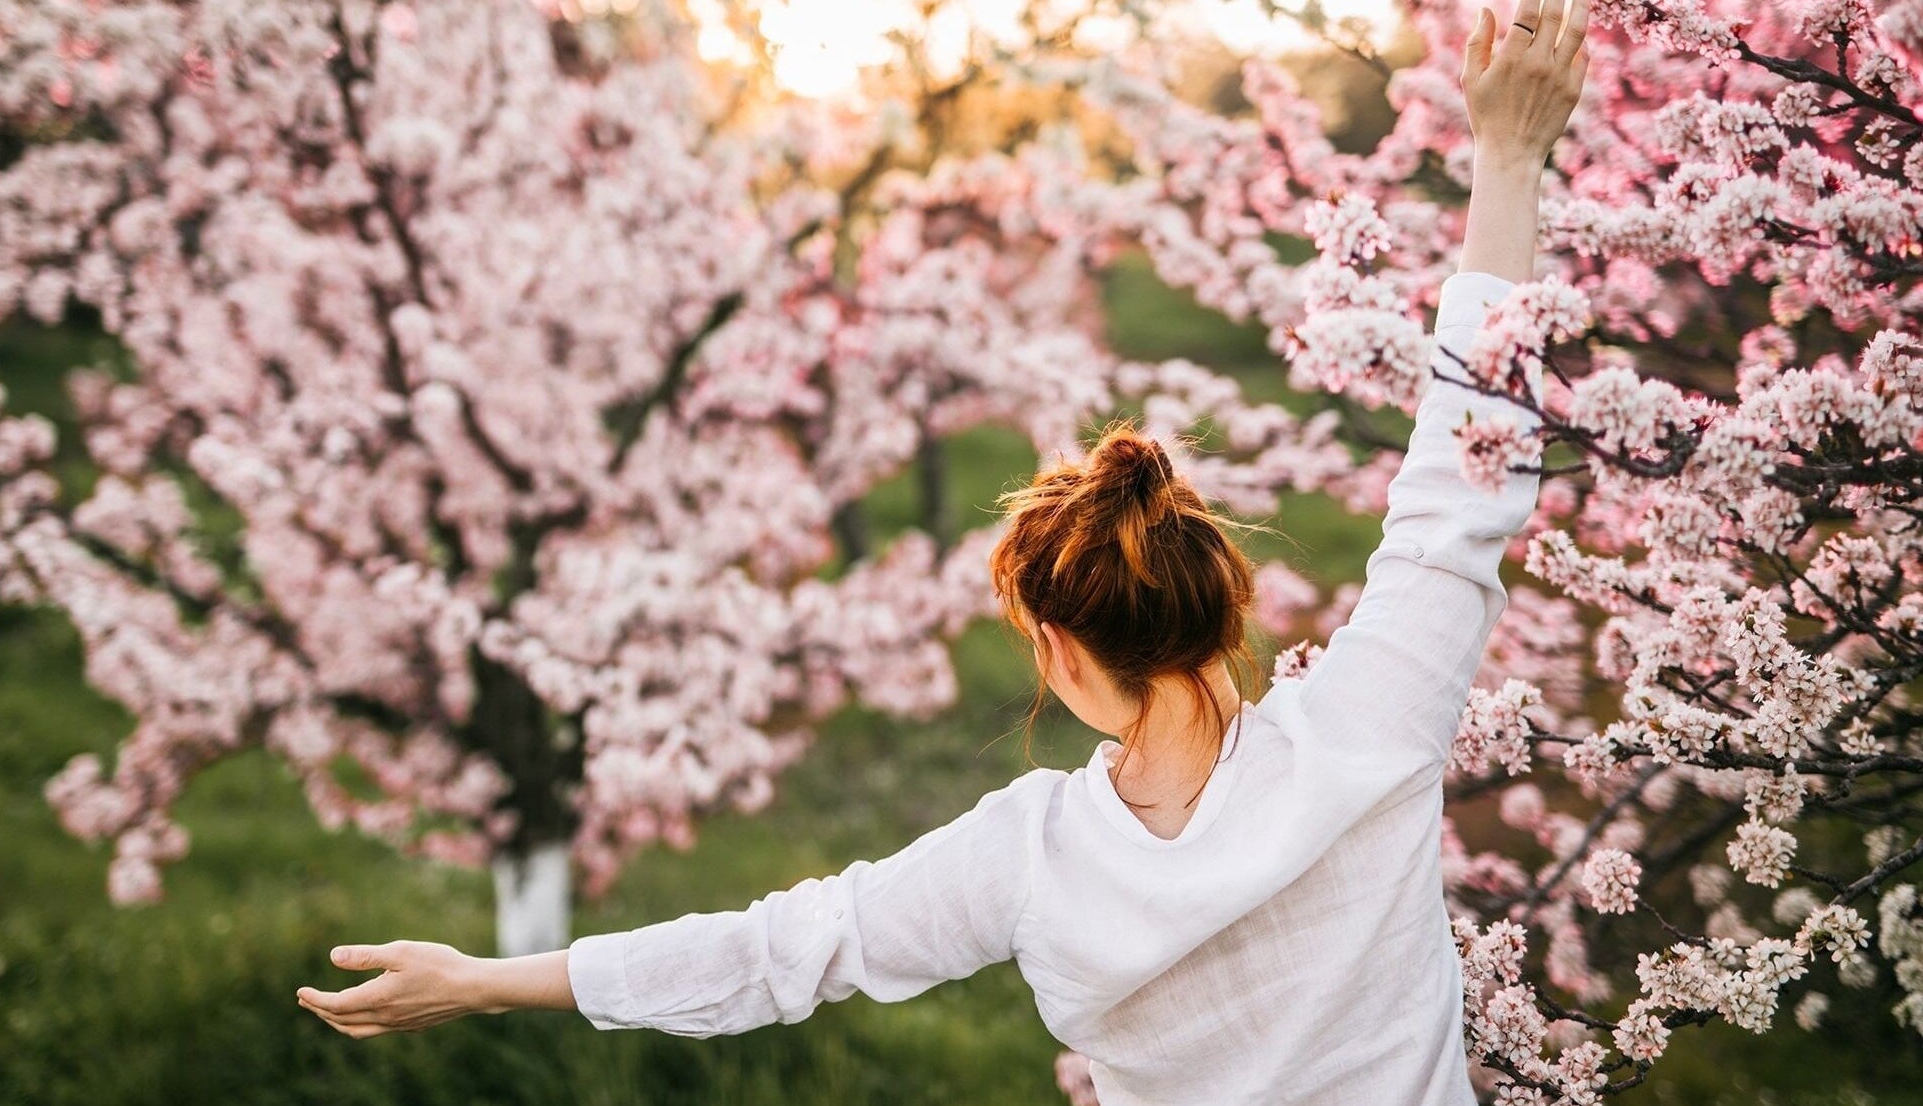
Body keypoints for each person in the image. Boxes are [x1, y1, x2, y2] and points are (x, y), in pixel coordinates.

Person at [298, 1, 1588, 1100]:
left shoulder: (1035, 859)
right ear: (1215, 598)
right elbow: (1460, 489)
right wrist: (1507, 158)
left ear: (1057, 649)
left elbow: (779, 950)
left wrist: (488, 982)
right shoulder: (1367, 729)